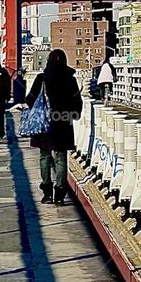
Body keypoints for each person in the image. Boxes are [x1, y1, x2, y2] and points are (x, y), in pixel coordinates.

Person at [26, 48, 83, 204]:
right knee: (61, 158)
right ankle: (60, 195)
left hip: (44, 123)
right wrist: (72, 114)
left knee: (44, 156)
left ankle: (47, 193)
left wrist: (38, 111)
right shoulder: (70, 80)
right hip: (62, 123)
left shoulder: (41, 79)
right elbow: (77, 104)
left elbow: (29, 99)